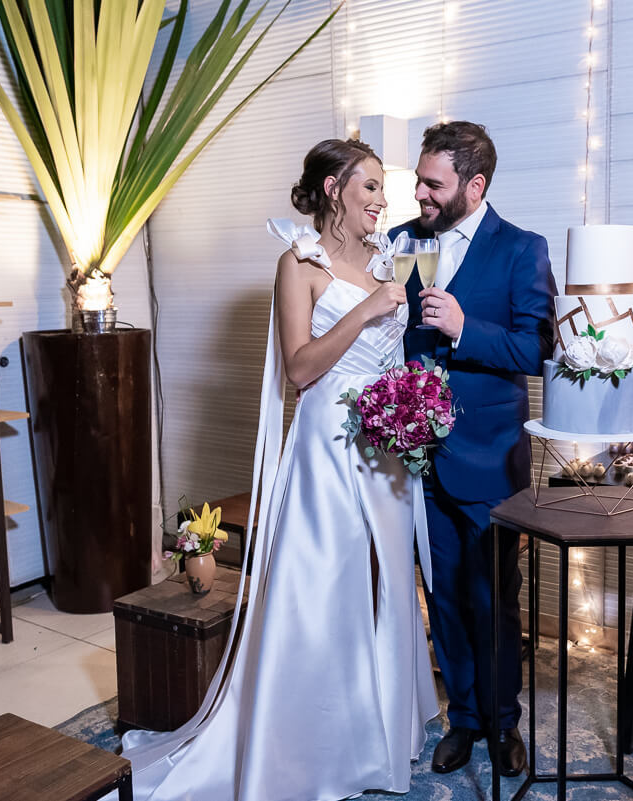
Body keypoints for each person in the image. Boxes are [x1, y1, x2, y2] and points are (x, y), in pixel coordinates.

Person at [112, 138, 438, 801]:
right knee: (323, 593)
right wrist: (369, 309)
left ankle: (379, 732)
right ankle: (309, 746)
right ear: (332, 189)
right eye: (370, 187)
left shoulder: (388, 259)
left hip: (386, 450)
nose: (382, 201)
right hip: (327, 450)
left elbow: (390, 355)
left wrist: (412, 404)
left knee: (386, 591)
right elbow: (299, 368)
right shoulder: (299, 264)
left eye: (383, 189)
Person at [390, 121, 557, 778]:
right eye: (419, 181)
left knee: (493, 597)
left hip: (492, 459)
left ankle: (502, 720)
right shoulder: (404, 240)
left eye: (433, 183)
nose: (421, 194)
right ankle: (462, 718)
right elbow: (392, 330)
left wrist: (466, 328)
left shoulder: (522, 249)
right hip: (420, 456)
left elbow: (538, 350)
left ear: (474, 184)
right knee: (446, 597)